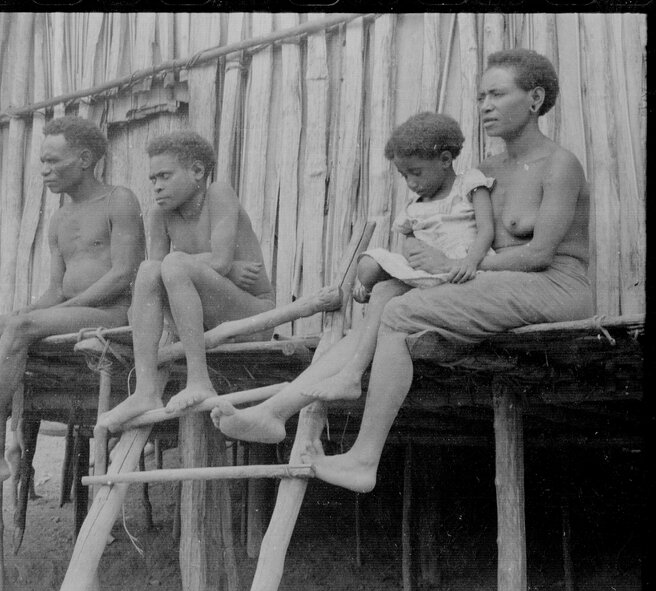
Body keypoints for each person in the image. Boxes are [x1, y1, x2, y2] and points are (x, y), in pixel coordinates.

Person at [213, 48, 592, 493]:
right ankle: (274, 412)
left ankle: (363, 459)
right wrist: (413, 258)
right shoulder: (484, 172)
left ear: (535, 98)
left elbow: (538, 254)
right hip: (496, 284)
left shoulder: (560, 164)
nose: (485, 105)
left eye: (497, 94)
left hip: (555, 287)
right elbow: (456, 237)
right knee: (384, 306)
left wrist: (454, 266)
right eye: (480, 96)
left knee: (401, 314)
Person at [0, 116, 146, 489]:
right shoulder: (59, 219)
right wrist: (32, 309)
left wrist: (52, 313)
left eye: (53, 161)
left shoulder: (118, 200)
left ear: (84, 159)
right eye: (42, 161)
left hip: (115, 313)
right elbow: (57, 289)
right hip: (74, 312)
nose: (44, 170)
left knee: (21, 327)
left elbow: (124, 274)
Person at [298, 111, 495, 404]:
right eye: (404, 176)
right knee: (369, 267)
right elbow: (409, 247)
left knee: (383, 292)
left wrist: (470, 262)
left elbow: (487, 229)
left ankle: (352, 372)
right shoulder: (415, 207)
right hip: (425, 275)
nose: (411, 183)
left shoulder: (469, 184)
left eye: (416, 173)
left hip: (458, 271)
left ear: (444, 160)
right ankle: (352, 371)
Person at [96, 130, 277, 433]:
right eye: (153, 179)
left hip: (253, 319)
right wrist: (226, 268)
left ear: (196, 171)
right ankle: (145, 392)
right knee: (149, 270)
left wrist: (221, 267)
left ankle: (199, 381)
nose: (157, 186)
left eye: (165, 176)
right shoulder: (159, 214)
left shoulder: (218, 194)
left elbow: (219, 261)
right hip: (205, 322)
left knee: (174, 262)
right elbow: (154, 277)